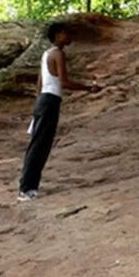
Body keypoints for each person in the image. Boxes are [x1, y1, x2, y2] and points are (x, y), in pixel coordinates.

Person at [18, 22, 101, 201]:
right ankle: (27, 189)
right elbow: (63, 82)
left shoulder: (46, 54)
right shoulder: (58, 53)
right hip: (50, 101)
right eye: (66, 33)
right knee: (41, 146)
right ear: (57, 35)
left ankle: (28, 186)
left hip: (42, 101)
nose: (69, 37)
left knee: (37, 144)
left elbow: (39, 85)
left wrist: (37, 106)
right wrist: (88, 89)